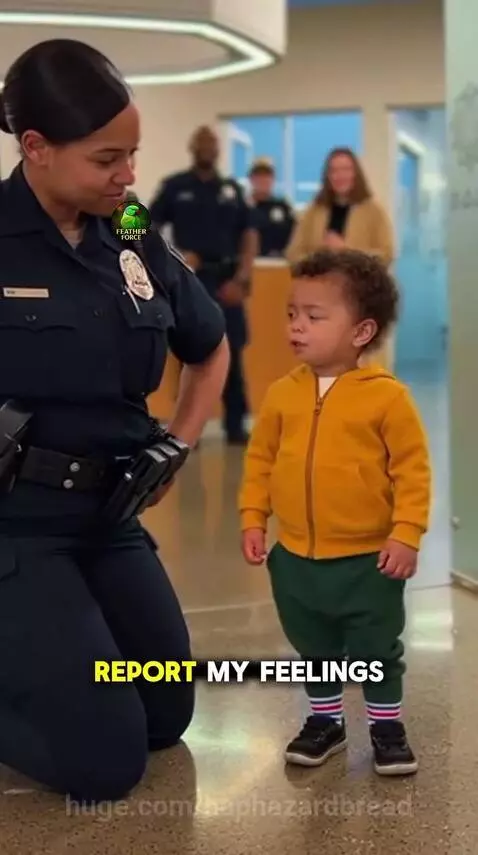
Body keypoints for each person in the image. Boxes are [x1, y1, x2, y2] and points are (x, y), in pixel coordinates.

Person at [0, 39, 230, 802]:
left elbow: (210, 343)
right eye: (107, 159)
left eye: (132, 153)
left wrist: (181, 443)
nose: (128, 175)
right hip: (18, 527)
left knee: (166, 713)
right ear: (36, 148)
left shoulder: (129, 225)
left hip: (113, 517)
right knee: (106, 763)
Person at [238, 249, 431, 776]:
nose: (297, 326)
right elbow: (260, 461)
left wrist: (406, 533)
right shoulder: (282, 395)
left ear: (361, 331)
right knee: (313, 645)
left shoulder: (388, 399)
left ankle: (386, 726)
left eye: (314, 316)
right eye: (292, 314)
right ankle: (326, 721)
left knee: (376, 646)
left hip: (368, 560)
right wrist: (254, 517)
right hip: (296, 558)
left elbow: (412, 472)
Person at [149, 126, 258, 445]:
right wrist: (170, 257)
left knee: (233, 355)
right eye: (201, 142)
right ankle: (187, 434)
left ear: (219, 150)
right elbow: (141, 225)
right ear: (191, 147)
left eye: (212, 143)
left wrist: (243, 278)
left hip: (228, 282)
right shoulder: (174, 187)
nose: (207, 147)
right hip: (189, 280)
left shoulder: (232, 190)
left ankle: (236, 428)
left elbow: (250, 234)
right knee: (189, 355)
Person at [285, 147, 395, 369]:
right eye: (334, 170)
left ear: (356, 174)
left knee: (361, 364)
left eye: (345, 169)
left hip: (359, 300)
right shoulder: (314, 211)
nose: (340, 175)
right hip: (320, 304)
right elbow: (293, 255)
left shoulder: (373, 211)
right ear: (327, 175)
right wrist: (322, 256)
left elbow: (386, 252)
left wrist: (347, 250)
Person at [247, 157, 295, 257]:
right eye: (259, 176)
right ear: (251, 179)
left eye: (267, 175)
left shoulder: (283, 207)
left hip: (277, 266)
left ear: (273, 179)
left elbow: (294, 238)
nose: (263, 180)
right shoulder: (244, 207)